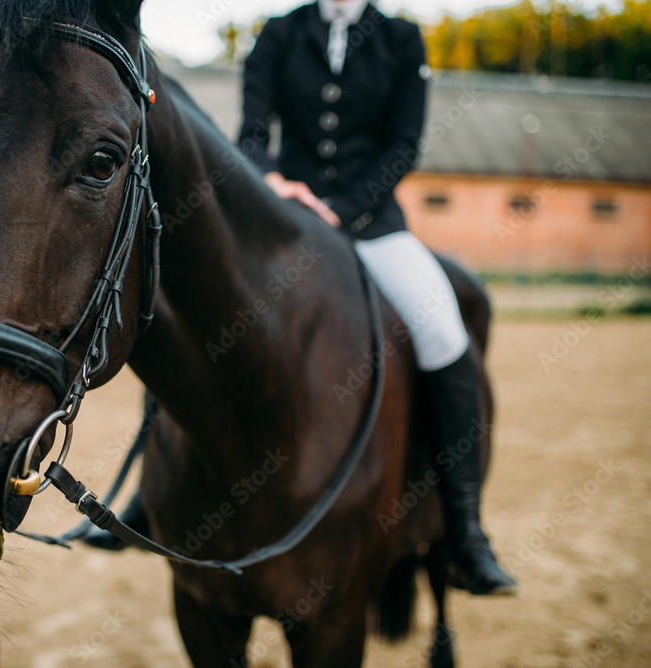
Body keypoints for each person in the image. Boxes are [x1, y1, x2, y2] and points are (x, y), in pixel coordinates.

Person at [87, 0, 516, 597]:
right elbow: (255, 132)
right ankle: (144, 496)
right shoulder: (280, 33)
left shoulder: (401, 40)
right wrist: (270, 181)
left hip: (372, 225)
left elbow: (402, 145)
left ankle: (466, 527)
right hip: (281, 217)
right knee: (195, 310)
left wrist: (342, 210)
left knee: (443, 331)